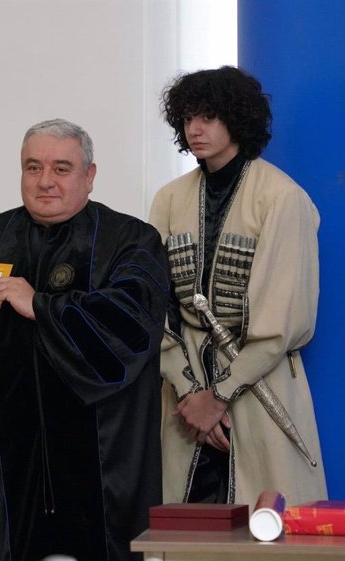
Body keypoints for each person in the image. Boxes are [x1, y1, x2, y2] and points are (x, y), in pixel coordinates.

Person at [0, 119, 169, 561]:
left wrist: (40, 305)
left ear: (89, 176)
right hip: (5, 468)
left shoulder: (133, 241)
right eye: (33, 167)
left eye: (61, 168)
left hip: (104, 464)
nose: (45, 182)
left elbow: (130, 332)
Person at [149, 66, 327, 506]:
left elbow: (283, 319)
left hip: (260, 386)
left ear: (237, 119)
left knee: (269, 520)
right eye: (188, 118)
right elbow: (153, 300)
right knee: (180, 523)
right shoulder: (169, 198)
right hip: (183, 392)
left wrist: (221, 395)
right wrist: (191, 392)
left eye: (208, 117)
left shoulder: (284, 199)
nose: (196, 129)